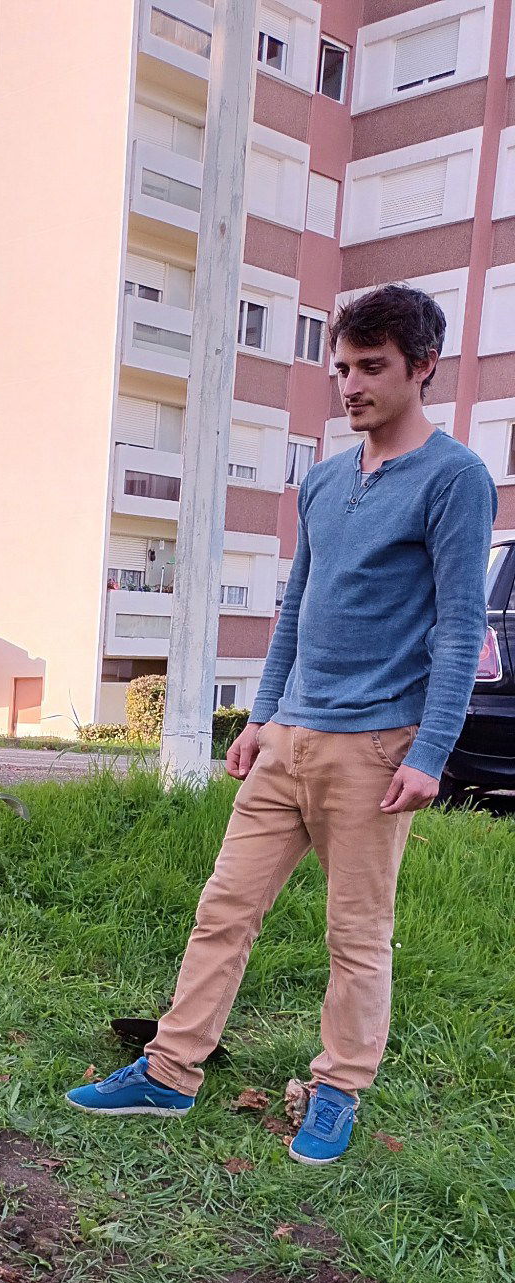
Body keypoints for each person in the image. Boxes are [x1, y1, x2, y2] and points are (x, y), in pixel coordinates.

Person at [69, 284, 496, 1165]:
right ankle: (170, 1069)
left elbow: (460, 627)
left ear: (423, 367)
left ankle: (337, 1088)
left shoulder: (455, 480)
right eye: (341, 367)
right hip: (290, 737)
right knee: (223, 908)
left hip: (377, 750)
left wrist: (432, 750)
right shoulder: (328, 479)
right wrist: (261, 717)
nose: (350, 385)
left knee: (356, 933)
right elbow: (294, 608)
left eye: (372, 368)